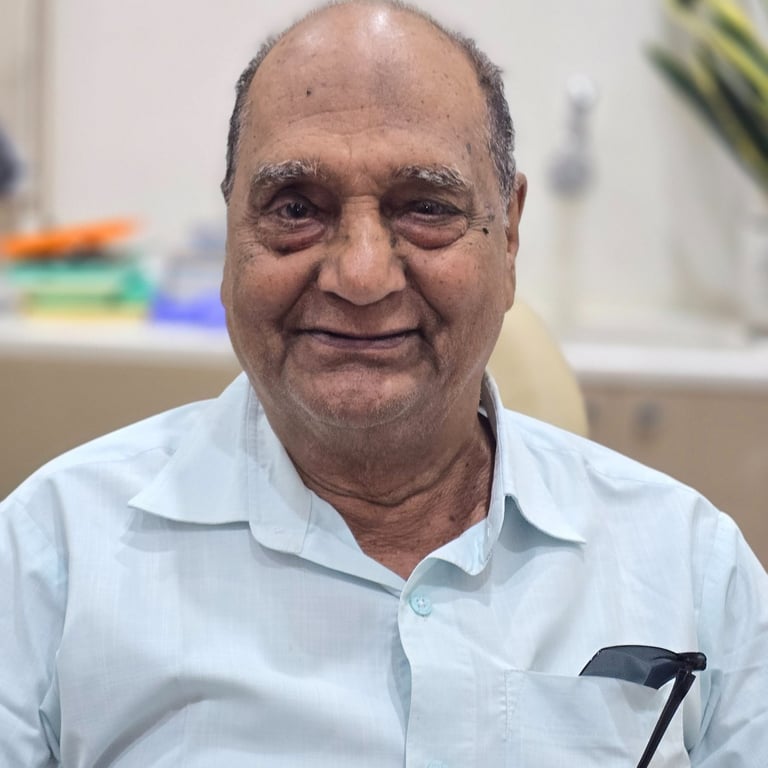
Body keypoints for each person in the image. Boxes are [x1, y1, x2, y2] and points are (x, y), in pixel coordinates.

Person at [1, 1, 767, 765]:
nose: (362, 275)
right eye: (296, 208)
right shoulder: (48, 562)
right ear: (232, 230)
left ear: (509, 237)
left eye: (426, 207)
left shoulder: (690, 570)